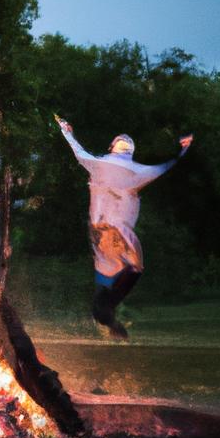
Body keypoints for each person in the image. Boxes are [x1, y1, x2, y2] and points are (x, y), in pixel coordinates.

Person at [56, 115, 192, 338]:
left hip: (98, 229)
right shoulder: (137, 171)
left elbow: (77, 150)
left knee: (108, 270)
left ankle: (105, 311)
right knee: (134, 267)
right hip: (118, 230)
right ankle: (107, 308)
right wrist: (183, 148)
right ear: (129, 151)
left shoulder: (98, 163)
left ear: (112, 148)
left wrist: (66, 130)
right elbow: (168, 165)